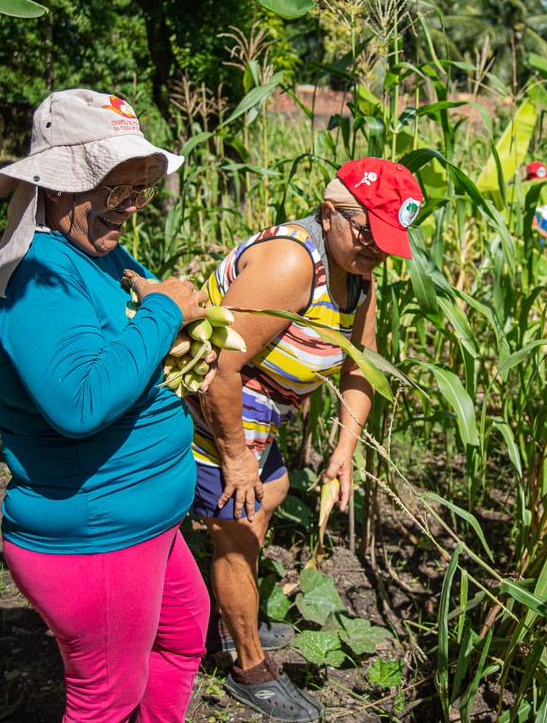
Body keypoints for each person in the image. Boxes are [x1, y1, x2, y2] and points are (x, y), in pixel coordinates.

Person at [0, 89, 212, 722]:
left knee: (184, 637)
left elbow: (131, 342)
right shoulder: (38, 278)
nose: (131, 211)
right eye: (116, 193)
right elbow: (81, 402)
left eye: (140, 192)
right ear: (58, 187)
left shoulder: (98, 252)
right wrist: (168, 311)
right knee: (106, 701)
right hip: (98, 534)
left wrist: (181, 332)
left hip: (145, 522)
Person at [188, 157, 423, 721]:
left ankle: (221, 616)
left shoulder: (360, 276)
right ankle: (249, 666)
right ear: (329, 212)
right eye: (367, 231)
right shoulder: (292, 264)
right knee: (240, 525)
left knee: (269, 497)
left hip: (264, 406)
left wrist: (344, 452)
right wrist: (236, 458)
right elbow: (218, 369)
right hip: (214, 398)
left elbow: (361, 367)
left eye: (387, 240)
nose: (375, 249)